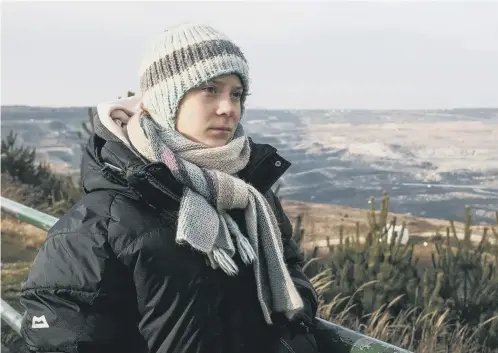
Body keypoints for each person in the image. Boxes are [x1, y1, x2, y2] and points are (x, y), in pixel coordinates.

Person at [18, 23, 319, 353]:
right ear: (165, 99)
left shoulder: (250, 195)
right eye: (209, 89)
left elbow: (291, 273)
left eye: (236, 93)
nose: (228, 108)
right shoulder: (103, 222)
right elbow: (63, 339)